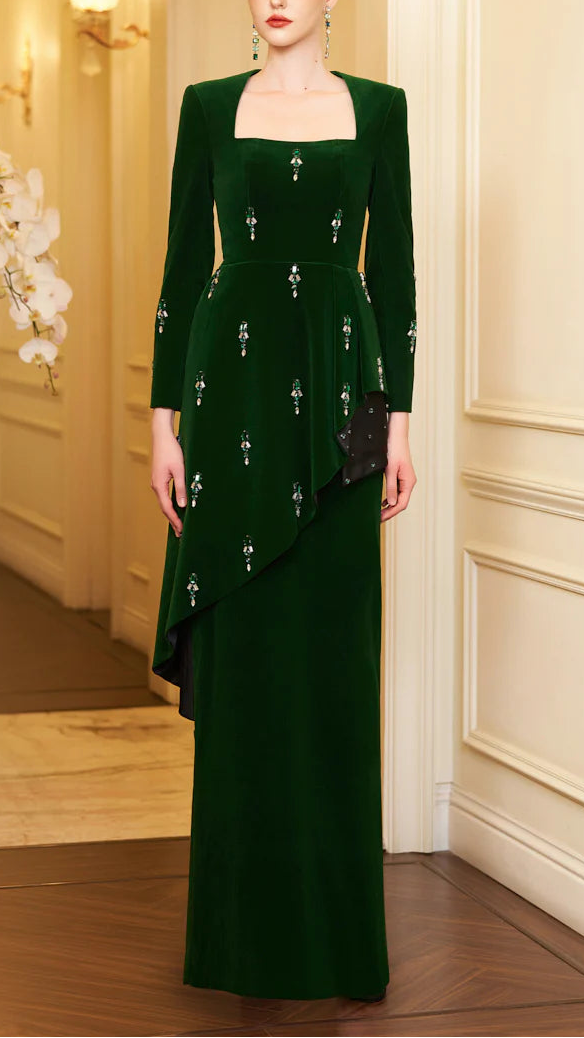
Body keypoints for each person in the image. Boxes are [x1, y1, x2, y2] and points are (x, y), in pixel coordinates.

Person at [149, 0, 417, 1003]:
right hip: (230, 402)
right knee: (251, 660)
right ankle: (238, 944)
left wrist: (398, 428)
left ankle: (340, 945)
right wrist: (163, 425)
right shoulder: (206, 104)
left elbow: (394, 278)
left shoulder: (381, 110)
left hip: (349, 404)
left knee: (335, 660)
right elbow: (184, 268)